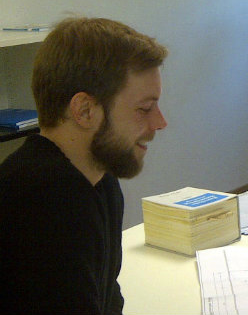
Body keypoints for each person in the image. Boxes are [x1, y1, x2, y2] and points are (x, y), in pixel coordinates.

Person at [0, 17, 169, 315]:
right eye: (144, 108)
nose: (159, 122)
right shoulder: (42, 202)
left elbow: (106, 297)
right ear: (85, 110)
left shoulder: (99, 180)